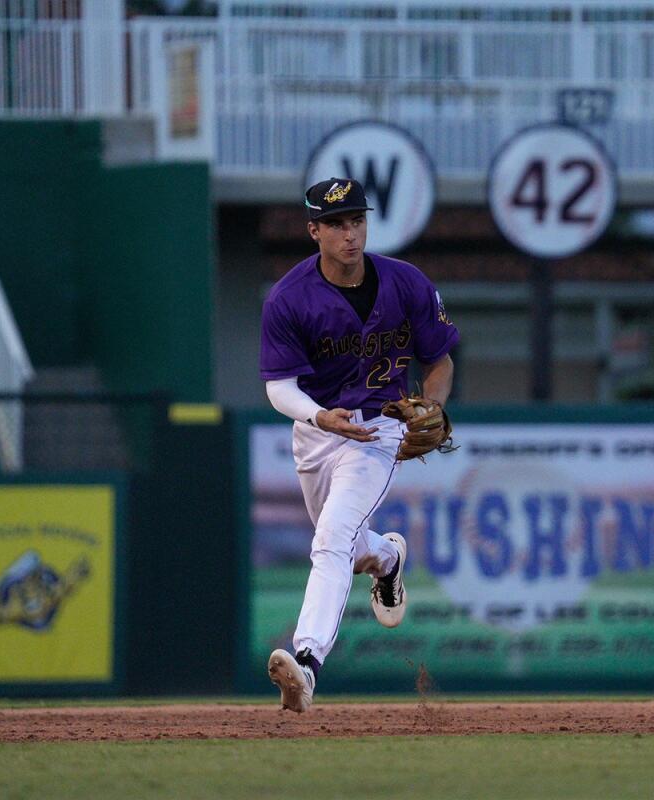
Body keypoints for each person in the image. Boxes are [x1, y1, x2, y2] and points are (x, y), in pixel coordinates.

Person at [259, 177, 458, 712]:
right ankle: (388, 557)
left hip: (378, 430)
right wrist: (320, 415)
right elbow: (279, 388)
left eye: (357, 221)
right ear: (314, 231)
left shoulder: (406, 282)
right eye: (337, 224)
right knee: (347, 544)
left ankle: (306, 663)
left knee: (330, 541)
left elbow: (439, 359)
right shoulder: (289, 298)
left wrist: (434, 406)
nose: (350, 234)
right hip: (318, 432)